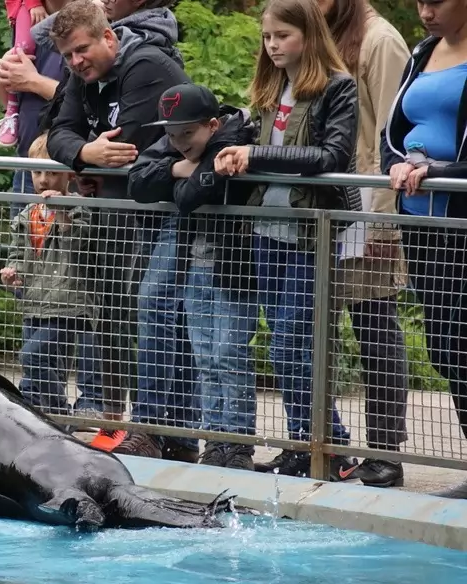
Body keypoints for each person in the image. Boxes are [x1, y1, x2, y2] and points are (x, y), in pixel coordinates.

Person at [214, 0, 359, 480]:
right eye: (267, 36)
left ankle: (326, 445)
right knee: (283, 341)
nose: (273, 45)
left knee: (295, 342)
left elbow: (331, 155)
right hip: (263, 227)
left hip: (309, 231)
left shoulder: (338, 87)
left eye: (283, 35)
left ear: (309, 36)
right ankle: (308, 442)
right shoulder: (270, 86)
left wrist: (254, 153)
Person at [46, 0, 197, 461]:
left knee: (162, 314)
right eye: (68, 55)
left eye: (82, 50)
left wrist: (90, 158)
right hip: (124, 214)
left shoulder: (147, 64)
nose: (75, 62)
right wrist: (87, 156)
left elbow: (131, 147)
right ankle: (143, 429)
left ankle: (166, 433)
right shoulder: (81, 76)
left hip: (171, 212)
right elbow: (57, 133)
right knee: (115, 315)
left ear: (109, 37)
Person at [129, 84, 260, 469]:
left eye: (188, 134)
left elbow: (186, 199)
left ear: (213, 125)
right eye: (171, 134)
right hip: (197, 263)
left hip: (236, 263)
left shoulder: (234, 138)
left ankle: (235, 444)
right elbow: (138, 182)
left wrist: (188, 175)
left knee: (228, 352)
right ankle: (213, 442)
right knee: (205, 355)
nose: (179, 142)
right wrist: (176, 167)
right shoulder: (177, 145)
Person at [320, 0, 410, 488]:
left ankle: (385, 452)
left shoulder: (380, 40)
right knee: (317, 330)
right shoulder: (325, 36)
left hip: (369, 208)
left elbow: (392, 138)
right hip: (331, 210)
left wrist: (382, 224)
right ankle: (322, 446)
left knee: (376, 327)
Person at [384, 0, 467, 495]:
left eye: (436, 1)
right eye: (419, 1)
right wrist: (403, 161)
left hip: (461, 218)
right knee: (443, 342)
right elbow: (392, 135)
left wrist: (437, 171)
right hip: (421, 219)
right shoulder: (422, 51)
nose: (425, 10)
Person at [0, 131, 102, 418]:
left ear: (69, 174)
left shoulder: (82, 206)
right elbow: (16, 256)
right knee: (42, 366)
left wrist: (63, 214)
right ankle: (47, 414)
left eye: (51, 172)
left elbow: (80, 246)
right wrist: (11, 276)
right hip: (34, 302)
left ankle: (59, 411)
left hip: (70, 306)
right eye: (37, 171)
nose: (43, 179)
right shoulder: (27, 215)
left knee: (32, 355)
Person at [0, 0, 67, 148]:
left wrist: (33, 81)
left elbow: (88, 102)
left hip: (67, 159)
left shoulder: (94, 21)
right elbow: (11, 100)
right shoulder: (26, 18)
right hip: (27, 154)